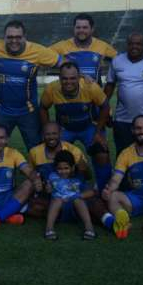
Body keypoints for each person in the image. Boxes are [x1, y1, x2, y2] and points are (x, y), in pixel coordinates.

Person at [0, 20, 62, 150]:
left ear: (24, 37)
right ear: (3, 38)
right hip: (2, 110)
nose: (14, 41)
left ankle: (39, 170)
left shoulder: (38, 51)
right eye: (10, 37)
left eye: (18, 37)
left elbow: (63, 63)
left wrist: (83, 75)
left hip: (28, 111)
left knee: (36, 148)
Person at [40, 62, 111, 191]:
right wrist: (48, 130)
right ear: (59, 78)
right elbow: (43, 108)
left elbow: (105, 106)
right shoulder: (51, 89)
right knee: (56, 156)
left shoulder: (90, 87)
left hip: (88, 127)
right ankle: (60, 188)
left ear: (79, 78)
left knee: (102, 153)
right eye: (65, 79)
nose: (68, 82)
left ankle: (104, 189)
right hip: (65, 130)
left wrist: (98, 132)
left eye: (73, 78)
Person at [104, 32, 143, 156]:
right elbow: (109, 86)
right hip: (122, 120)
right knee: (122, 156)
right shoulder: (117, 61)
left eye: (138, 44)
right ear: (127, 45)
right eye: (131, 43)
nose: (134, 47)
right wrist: (105, 111)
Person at [43, 150, 96, 241]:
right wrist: (48, 188)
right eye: (60, 168)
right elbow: (48, 190)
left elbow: (92, 192)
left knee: (78, 200)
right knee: (56, 200)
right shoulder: (52, 177)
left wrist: (79, 196)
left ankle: (89, 227)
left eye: (66, 168)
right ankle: (49, 228)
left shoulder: (77, 179)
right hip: (58, 209)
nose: (63, 171)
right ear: (55, 168)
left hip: (75, 209)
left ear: (72, 167)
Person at [50, 13, 117, 83]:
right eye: (78, 27)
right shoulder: (61, 46)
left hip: (94, 92)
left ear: (92, 29)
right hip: (69, 92)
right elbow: (42, 56)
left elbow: (120, 60)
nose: (81, 30)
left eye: (85, 27)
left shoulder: (103, 46)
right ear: (74, 28)